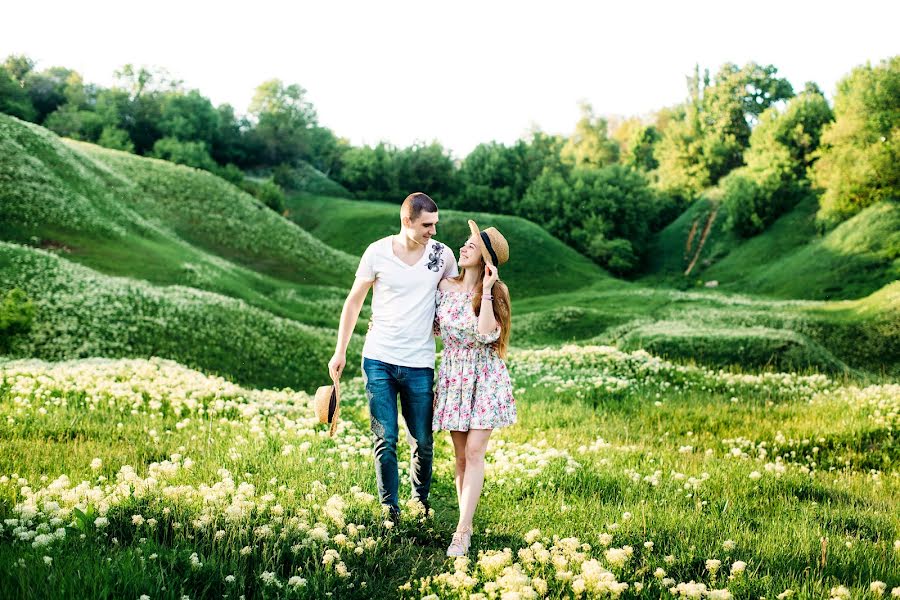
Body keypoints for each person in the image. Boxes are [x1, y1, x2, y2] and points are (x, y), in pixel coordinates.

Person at [328, 192, 458, 521]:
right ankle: (390, 509)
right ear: (407, 221)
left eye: (435, 224)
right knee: (385, 438)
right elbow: (354, 301)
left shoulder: (443, 256)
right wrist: (339, 350)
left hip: (419, 363)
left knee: (424, 441)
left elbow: (455, 298)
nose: (433, 231)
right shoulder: (377, 252)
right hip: (379, 358)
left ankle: (420, 499)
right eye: (427, 225)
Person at [432, 219, 515, 556]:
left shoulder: (495, 292)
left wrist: (485, 289)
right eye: (465, 243)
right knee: (460, 457)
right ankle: (465, 523)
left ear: (484, 259)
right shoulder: (443, 287)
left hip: (485, 377)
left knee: (475, 452)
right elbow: (434, 328)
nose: (463, 247)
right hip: (453, 376)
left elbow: (485, 335)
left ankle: (462, 532)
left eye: (471, 245)